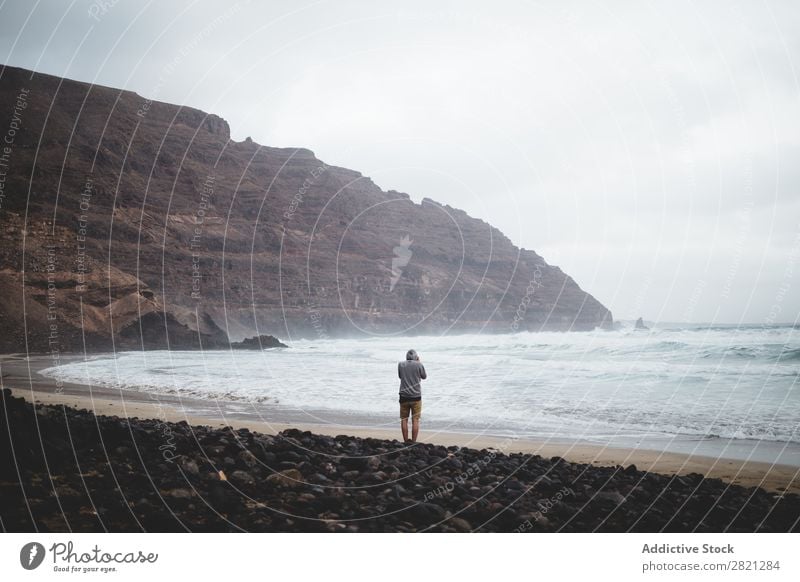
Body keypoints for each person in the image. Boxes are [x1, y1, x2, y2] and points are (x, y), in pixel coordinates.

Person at [398, 348, 426, 443]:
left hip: (404, 396)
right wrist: (419, 362)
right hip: (416, 397)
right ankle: (413, 441)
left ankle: (406, 441)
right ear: (416, 357)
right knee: (415, 420)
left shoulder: (401, 364)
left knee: (404, 419)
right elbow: (424, 376)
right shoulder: (418, 364)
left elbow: (400, 376)